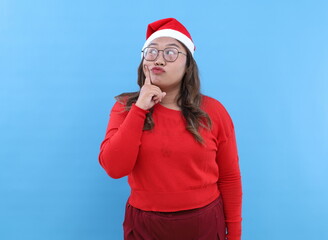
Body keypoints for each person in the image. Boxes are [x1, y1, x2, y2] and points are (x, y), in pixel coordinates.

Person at [99, 18, 242, 240]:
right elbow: (114, 168)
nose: (159, 60)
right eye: (152, 52)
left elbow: (230, 177)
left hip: (202, 223)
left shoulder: (213, 111)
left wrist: (234, 235)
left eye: (171, 53)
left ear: (188, 66)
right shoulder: (125, 107)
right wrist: (140, 109)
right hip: (145, 225)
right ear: (143, 62)